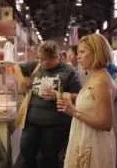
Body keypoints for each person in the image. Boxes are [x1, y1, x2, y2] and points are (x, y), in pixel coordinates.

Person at [14, 40, 81, 168]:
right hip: (31, 122)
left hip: (56, 125)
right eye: (40, 58)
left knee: (49, 158)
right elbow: (16, 67)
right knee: (26, 153)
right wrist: (21, 80)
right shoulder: (37, 65)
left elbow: (79, 97)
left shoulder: (69, 72)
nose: (42, 62)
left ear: (56, 57)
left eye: (46, 60)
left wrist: (58, 95)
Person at [57, 33, 116, 168]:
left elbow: (106, 123)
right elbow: (93, 101)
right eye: (78, 52)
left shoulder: (101, 81)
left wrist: (73, 112)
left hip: (94, 143)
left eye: (83, 52)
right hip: (86, 138)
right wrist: (72, 97)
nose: (78, 57)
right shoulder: (95, 76)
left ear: (96, 52)